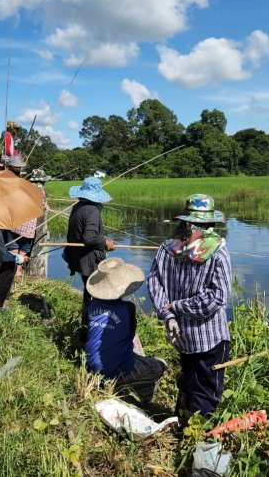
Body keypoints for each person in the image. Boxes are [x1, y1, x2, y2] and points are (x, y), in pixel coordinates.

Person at [147, 194, 232, 419]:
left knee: (188, 380)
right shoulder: (217, 252)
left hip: (181, 335)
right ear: (210, 223)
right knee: (206, 391)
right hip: (210, 337)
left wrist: (168, 314)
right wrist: (177, 307)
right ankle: (195, 438)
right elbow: (218, 298)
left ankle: (181, 423)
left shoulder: (167, 248)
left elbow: (154, 284)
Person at [85, 258, 167, 403]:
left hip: (90, 365)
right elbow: (130, 336)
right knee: (161, 364)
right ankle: (141, 398)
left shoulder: (92, 304)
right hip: (115, 370)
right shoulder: (128, 308)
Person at [63, 176, 115, 328]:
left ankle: (87, 327)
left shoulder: (78, 206)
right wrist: (105, 242)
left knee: (89, 293)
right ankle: (92, 328)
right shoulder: (92, 210)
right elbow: (90, 238)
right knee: (94, 295)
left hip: (79, 259)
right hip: (89, 261)